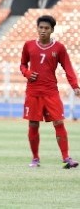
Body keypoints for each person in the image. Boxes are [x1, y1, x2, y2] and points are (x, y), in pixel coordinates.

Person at [20, 15, 79, 169]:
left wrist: (75, 85)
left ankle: (67, 158)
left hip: (51, 91)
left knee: (58, 122)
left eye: (47, 28)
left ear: (52, 30)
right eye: (41, 28)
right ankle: (35, 158)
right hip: (33, 92)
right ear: (37, 28)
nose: (43, 31)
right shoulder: (28, 45)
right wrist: (27, 73)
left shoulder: (59, 48)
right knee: (33, 124)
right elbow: (22, 65)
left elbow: (68, 67)